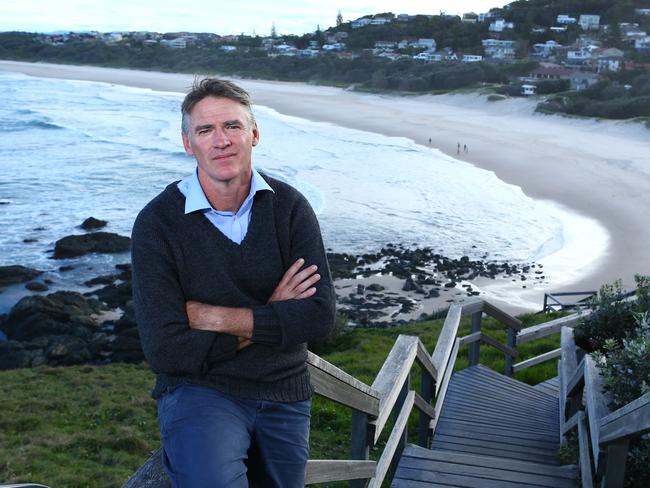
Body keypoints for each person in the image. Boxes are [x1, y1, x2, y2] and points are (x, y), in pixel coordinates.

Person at [131, 78, 336, 487]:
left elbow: (318, 318)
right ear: (188, 143)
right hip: (200, 390)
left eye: (232, 126)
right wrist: (273, 313)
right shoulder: (157, 224)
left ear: (254, 133)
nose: (220, 140)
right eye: (205, 130)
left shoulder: (290, 208)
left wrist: (215, 318)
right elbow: (166, 350)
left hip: (283, 387)